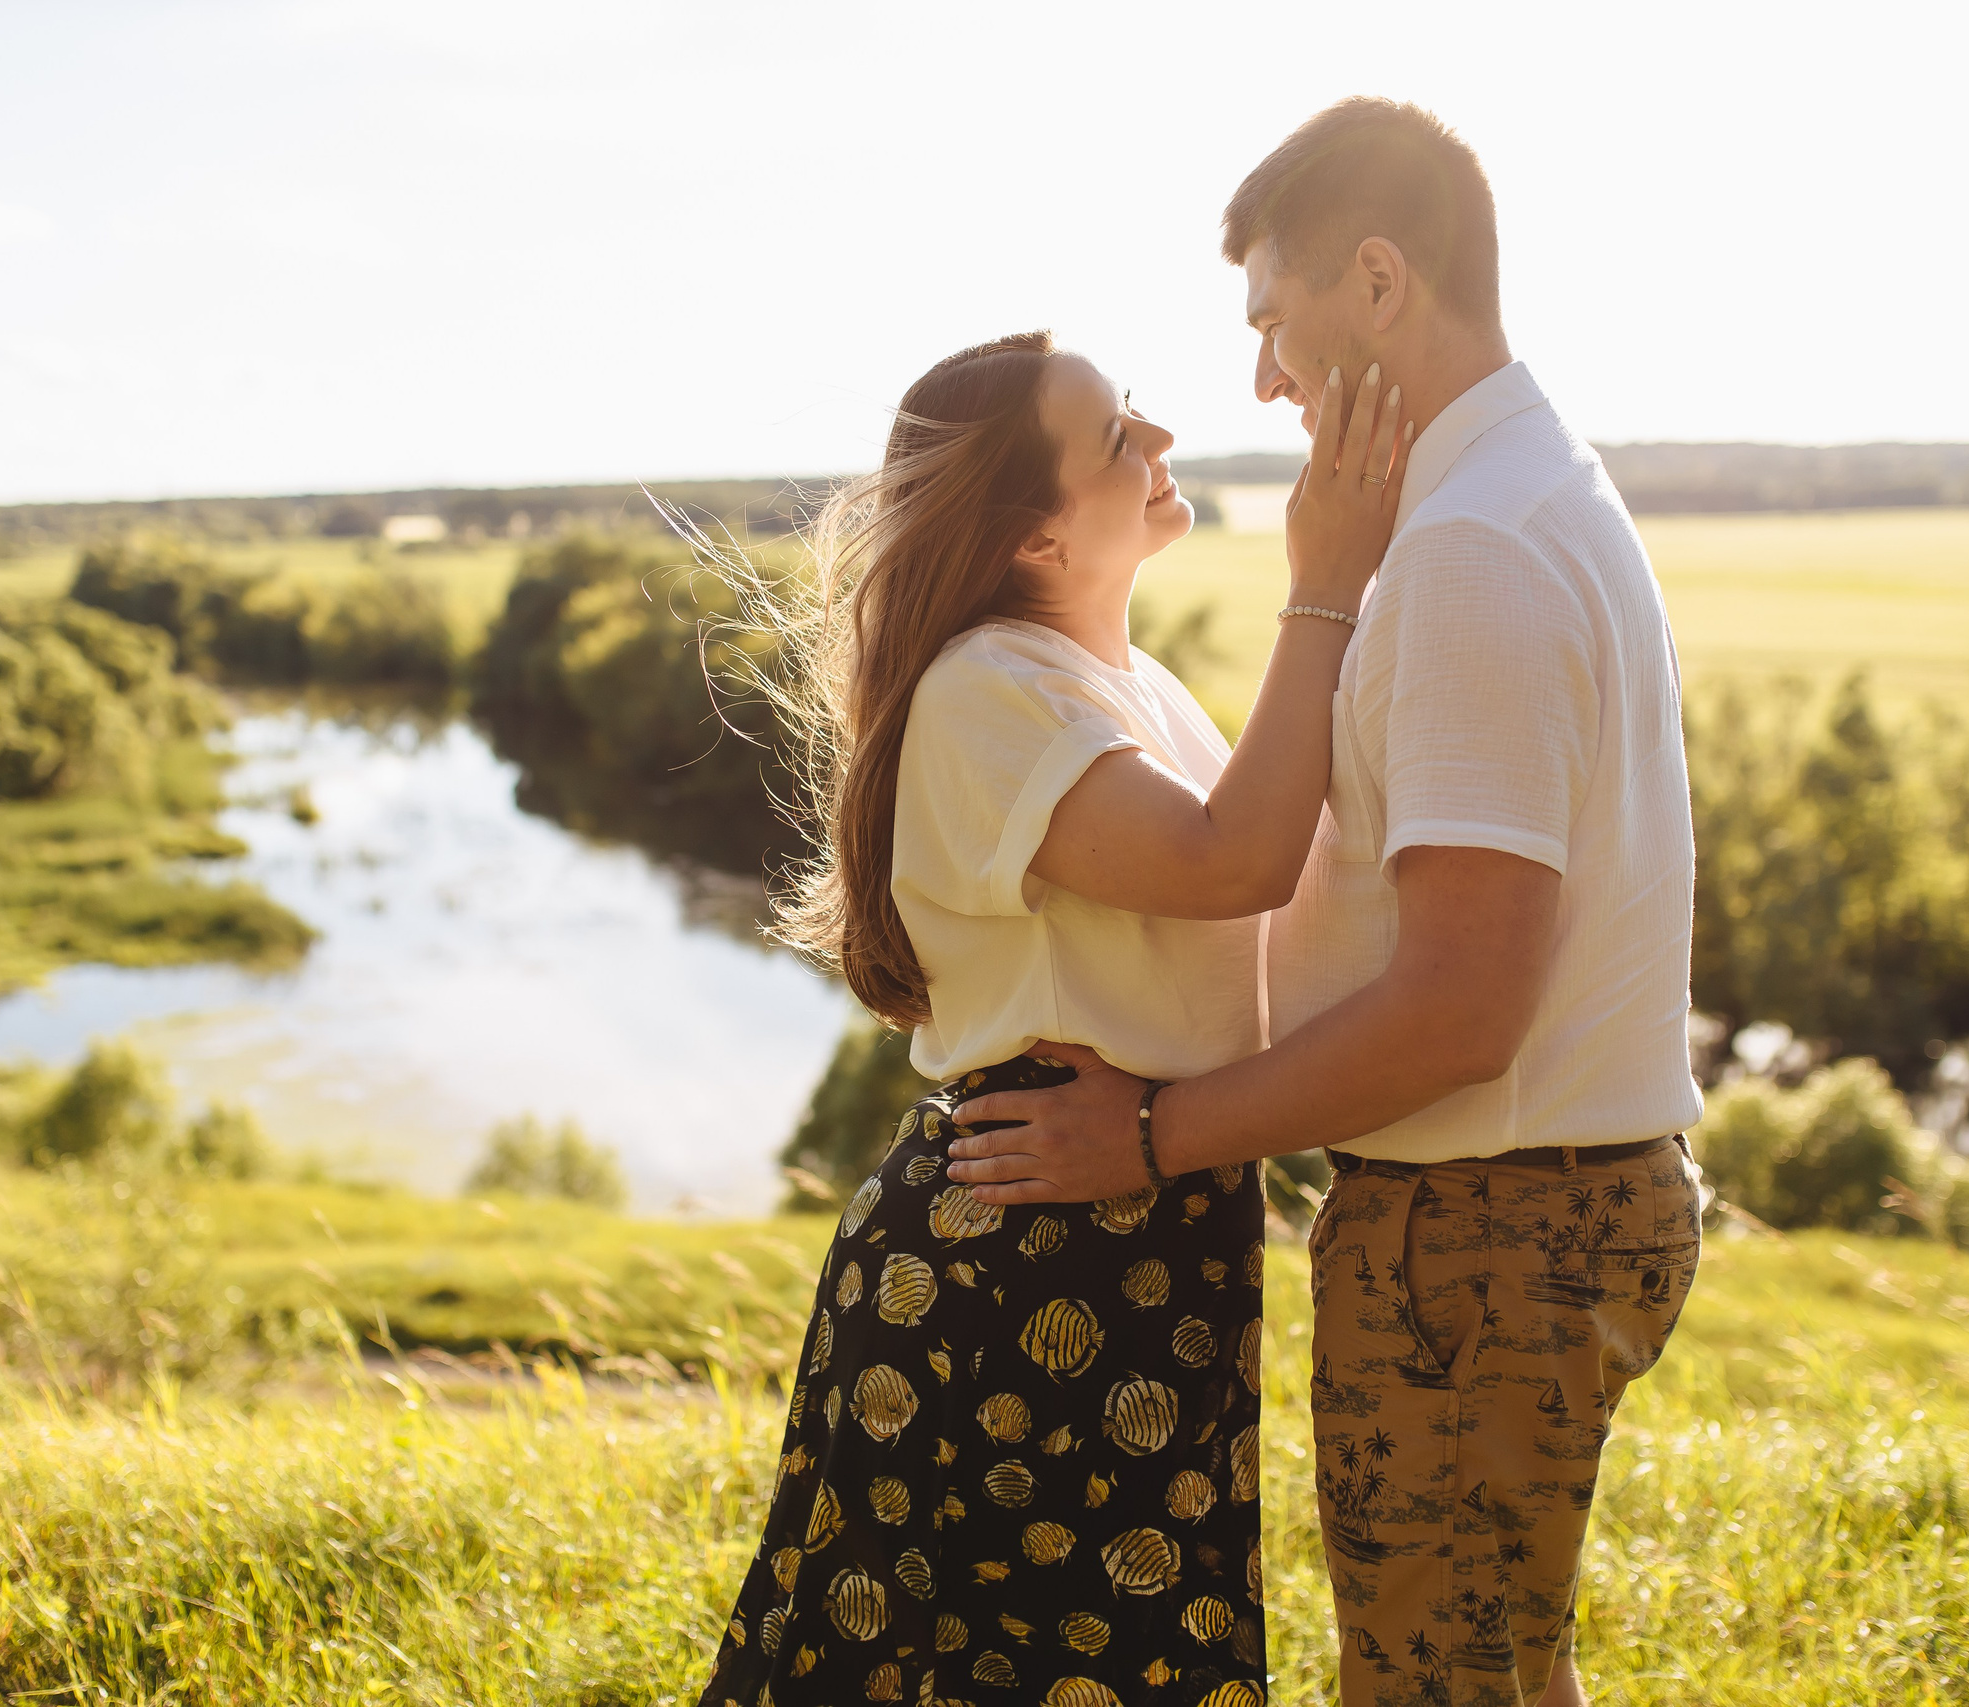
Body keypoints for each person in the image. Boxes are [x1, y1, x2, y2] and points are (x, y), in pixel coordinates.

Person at [944, 100, 1708, 1707]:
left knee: (1435, 1688)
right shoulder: (1517, 495)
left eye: (1271, 320)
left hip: (1489, 1228)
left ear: (1376, 282)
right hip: (1511, 1215)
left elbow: (1462, 1008)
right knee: (1497, 1672)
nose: (1263, 379)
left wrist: (1153, 1136)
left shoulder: (1472, 552)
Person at [698, 329, 1411, 1706]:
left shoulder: (1133, 690)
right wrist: (1324, 585)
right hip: (1020, 1253)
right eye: (1117, 435)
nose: (1162, 442)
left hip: (1142, 1223)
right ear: (1035, 533)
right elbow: (1233, 863)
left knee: (1113, 1653)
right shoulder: (987, 687)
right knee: (997, 1663)